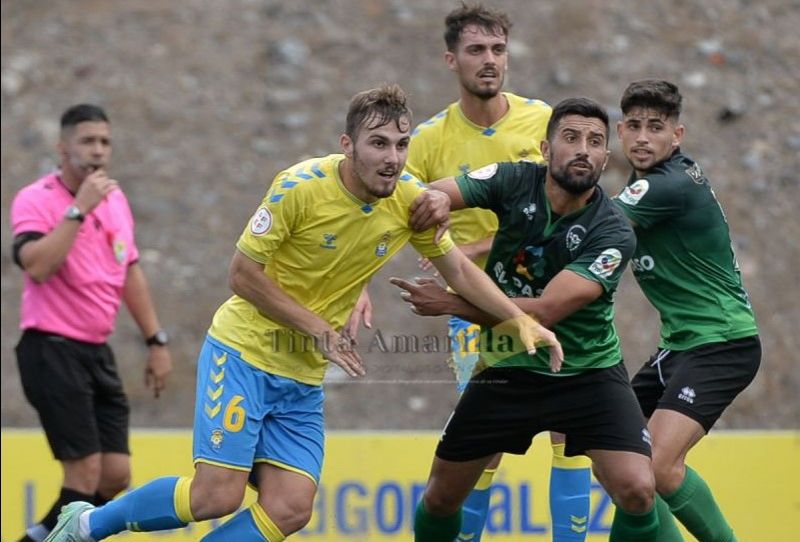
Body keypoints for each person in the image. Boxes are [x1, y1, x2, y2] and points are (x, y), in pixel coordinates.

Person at [45, 84, 561, 542]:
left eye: (402, 145)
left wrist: (519, 320)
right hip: (244, 353)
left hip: (301, 374)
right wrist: (317, 327)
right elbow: (242, 275)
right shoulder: (300, 186)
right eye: (378, 144)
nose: (392, 158)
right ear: (347, 146)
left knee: (291, 508)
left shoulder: (407, 201)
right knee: (215, 497)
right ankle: (86, 525)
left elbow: (459, 272)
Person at [395, 97, 661, 541]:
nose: (583, 149)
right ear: (545, 148)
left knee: (638, 488)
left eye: (595, 142)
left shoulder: (613, 231)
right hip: (506, 366)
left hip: (587, 373)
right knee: (441, 498)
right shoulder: (511, 179)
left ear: (605, 159)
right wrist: (435, 202)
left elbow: (545, 313)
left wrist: (452, 303)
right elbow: (430, 193)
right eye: (571, 138)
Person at [406, 4, 592, 540]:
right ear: (451, 59)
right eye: (476, 50)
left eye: (498, 50)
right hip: (478, 308)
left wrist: (478, 241)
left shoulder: (544, 123)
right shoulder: (429, 140)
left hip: (554, 295)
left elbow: (571, 206)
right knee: (481, 448)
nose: (489, 61)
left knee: (571, 432)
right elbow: (395, 212)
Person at [9, 103, 173, 542]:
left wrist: (155, 341)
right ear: (63, 148)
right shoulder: (37, 198)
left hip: (96, 351)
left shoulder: (116, 202)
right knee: (84, 474)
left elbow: (130, 272)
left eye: (105, 141)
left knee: (115, 475)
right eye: (87, 141)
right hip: (51, 347)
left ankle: (36, 538)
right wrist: (77, 209)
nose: (98, 151)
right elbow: (36, 266)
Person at [613, 80, 761, 542]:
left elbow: (589, 228)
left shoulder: (666, 185)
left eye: (655, 127)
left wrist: (479, 245)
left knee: (656, 463)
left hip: (721, 343)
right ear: (620, 131)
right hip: (680, 346)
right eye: (634, 126)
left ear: (677, 136)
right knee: (621, 460)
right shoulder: (651, 183)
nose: (642, 137)